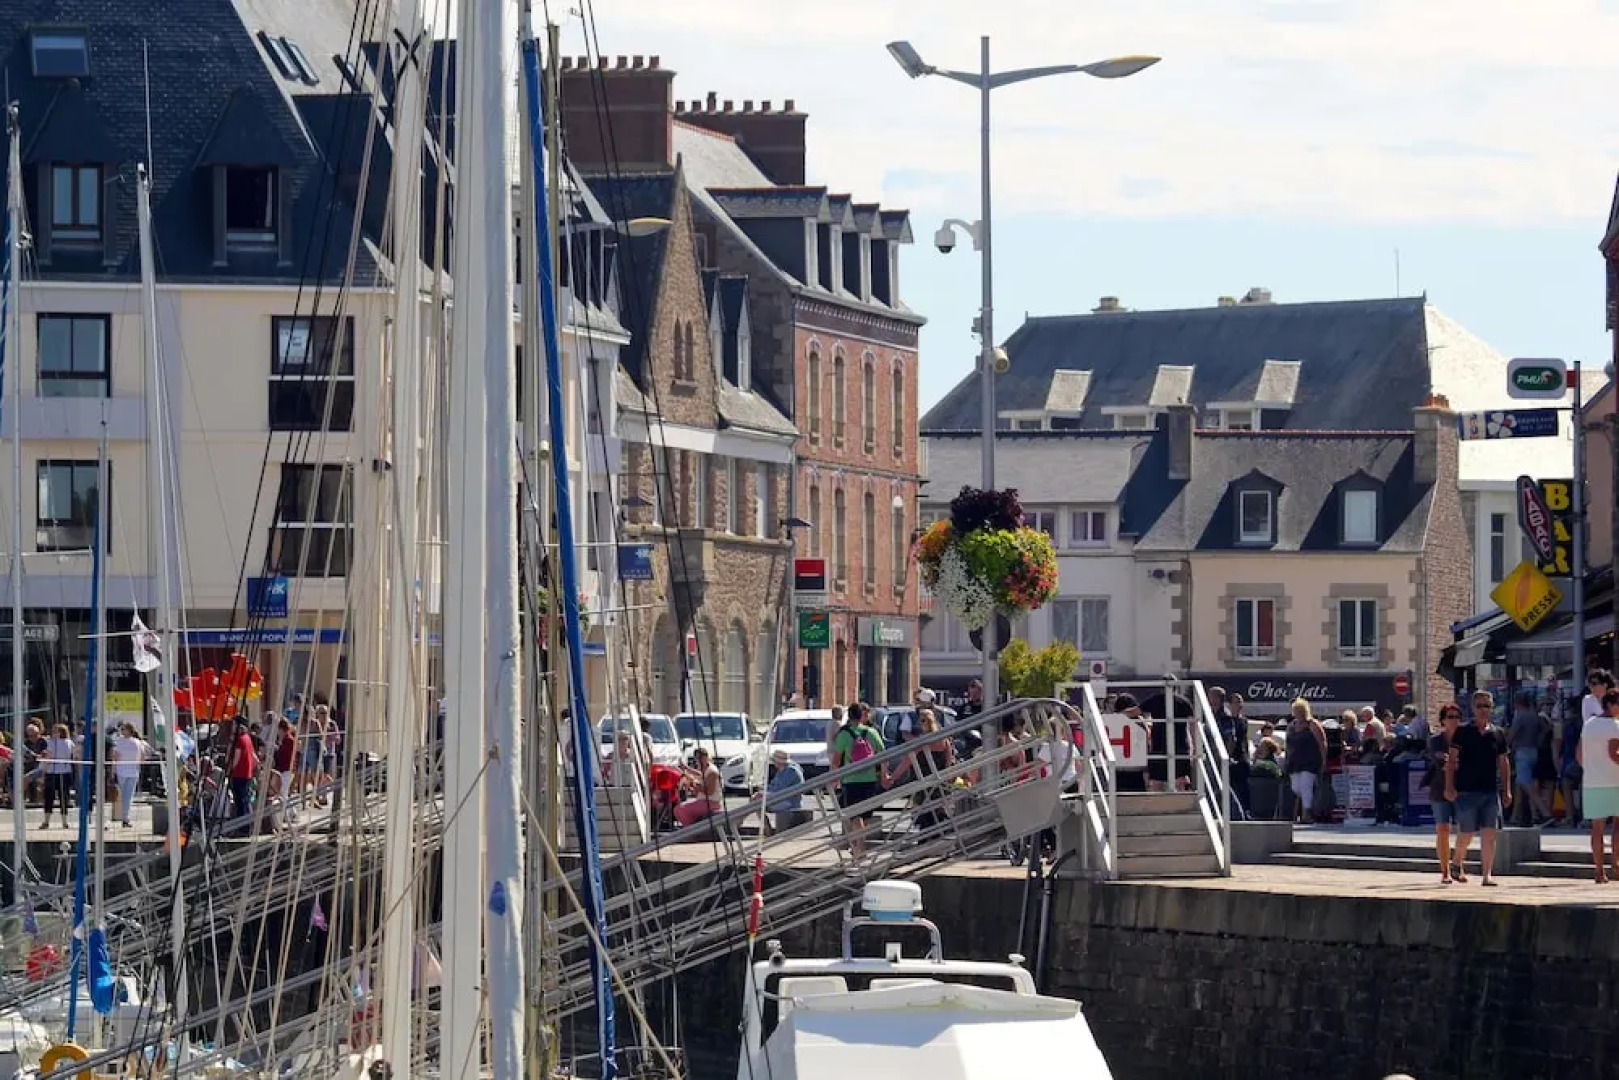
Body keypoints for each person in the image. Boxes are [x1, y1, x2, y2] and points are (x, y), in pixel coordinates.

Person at [1448, 689, 1511, 887]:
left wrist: (1507, 789)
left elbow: (1504, 762)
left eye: (1487, 706)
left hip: (1490, 790)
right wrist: (1449, 786)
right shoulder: (1463, 732)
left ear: (1492, 708)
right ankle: (1457, 859)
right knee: (1466, 832)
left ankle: (1487, 874)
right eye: (1479, 706)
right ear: (1473, 708)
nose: (1483, 710)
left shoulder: (1497, 733)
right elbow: (1451, 760)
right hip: (1466, 790)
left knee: (1489, 833)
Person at [830, 702, 885, 859]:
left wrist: (835, 778)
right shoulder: (872, 732)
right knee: (864, 816)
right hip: (869, 779)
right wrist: (884, 775)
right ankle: (859, 846)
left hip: (851, 779)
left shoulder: (844, 734)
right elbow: (883, 754)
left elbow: (836, 760)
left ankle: (859, 849)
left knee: (855, 816)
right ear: (862, 716)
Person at [1578, 689, 1619, 882]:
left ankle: (1599, 870)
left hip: (1592, 782)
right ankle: (1616, 864)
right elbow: (1614, 754)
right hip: (1615, 781)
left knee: (1597, 828)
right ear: (1611, 705)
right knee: (1618, 826)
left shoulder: (1589, 724)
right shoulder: (1615, 726)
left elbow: (1579, 754)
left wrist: (1592, 768)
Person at [1427, 703, 1463, 884]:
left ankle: (1458, 864)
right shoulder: (1436, 740)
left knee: (1464, 829)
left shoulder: (1466, 739)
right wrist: (1455, 762)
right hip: (1439, 787)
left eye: (1457, 717)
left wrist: (1454, 762)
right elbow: (1440, 761)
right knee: (1443, 828)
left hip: (1463, 787)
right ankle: (1445, 870)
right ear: (1442, 720)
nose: (1454, 720)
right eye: (1450, 717)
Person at [1507, 691, 1551, 825]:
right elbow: (1546, 728)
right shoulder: (1535, 716)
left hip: (1522, 751)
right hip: (1534, 750)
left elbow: (1512, 733)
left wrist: (1505, 745)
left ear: (1517, 703)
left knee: (1526, 783)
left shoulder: (1519, 716)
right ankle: (1519, 816)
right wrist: (1539, 740)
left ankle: (1545, 813)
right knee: (1522, 785)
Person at [1284, 700, 1326, 823]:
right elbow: (1288, 745)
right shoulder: (1291, 726)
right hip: (1294, 762)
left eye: (1299, 710)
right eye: (1295, 710)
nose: (1297, 713)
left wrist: (1323, 761)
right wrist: (1286, 760)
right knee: (1296, 787)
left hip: (1310, 760)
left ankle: (1306, 813)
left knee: (1306, 786)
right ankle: (1307, 808)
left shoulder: (1313, 724)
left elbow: (1322, 743)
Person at [674, 746, 724, 829]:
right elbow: (699, 774)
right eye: (697, 758)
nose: (698, 761)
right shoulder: (704, 769)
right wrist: (686, 769)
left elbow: (709, 791)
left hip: (711, 802)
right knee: (677, 809)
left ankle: (690, 831)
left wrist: (694, 784)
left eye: (700, 758)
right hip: (703, 800)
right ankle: (691, 828)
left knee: (681, 809)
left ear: (706, 757)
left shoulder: (712, 772)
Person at [111, 723, 150, 828]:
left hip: (123, 770)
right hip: (132, 771)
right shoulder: (138, 742)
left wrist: (113, 770)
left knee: (125, 795)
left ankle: (125, 817)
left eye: (123, 729)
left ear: (128, 730)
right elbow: (143, 757)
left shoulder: (120, 741)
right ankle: (125, 817)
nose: (122, 731)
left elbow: (115, 756)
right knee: (128, 796)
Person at [765, 749, 808, 835]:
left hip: (789, 801)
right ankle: (766, 827)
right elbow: (773, 788)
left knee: (758, 803)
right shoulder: (781, 771)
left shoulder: (791, 771)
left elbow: (779, 791)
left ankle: (767, 828)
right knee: (756, 800)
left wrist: (765, 794)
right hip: (780, 798)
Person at [40, 723, 74, 829]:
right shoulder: (70, 742)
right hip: (66, 771)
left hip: (52, 772)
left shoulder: (51, 743)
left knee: (49, 797)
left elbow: (48, 758)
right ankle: (64, 822)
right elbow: (74, 755)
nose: (52, 733)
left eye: (54, 731)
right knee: (64, 797)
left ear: (59, 733)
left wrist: (43, 773)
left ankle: (46, 821)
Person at [226, 717, 258, 823]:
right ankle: (248, 824)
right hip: (247, 774)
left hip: (239, 774)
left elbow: (237, 757)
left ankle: (242, 826)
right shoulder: (248, 738)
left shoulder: (239, 740)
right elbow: (254, 758)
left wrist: (230, 769)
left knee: (240, 802)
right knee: (246, 799)